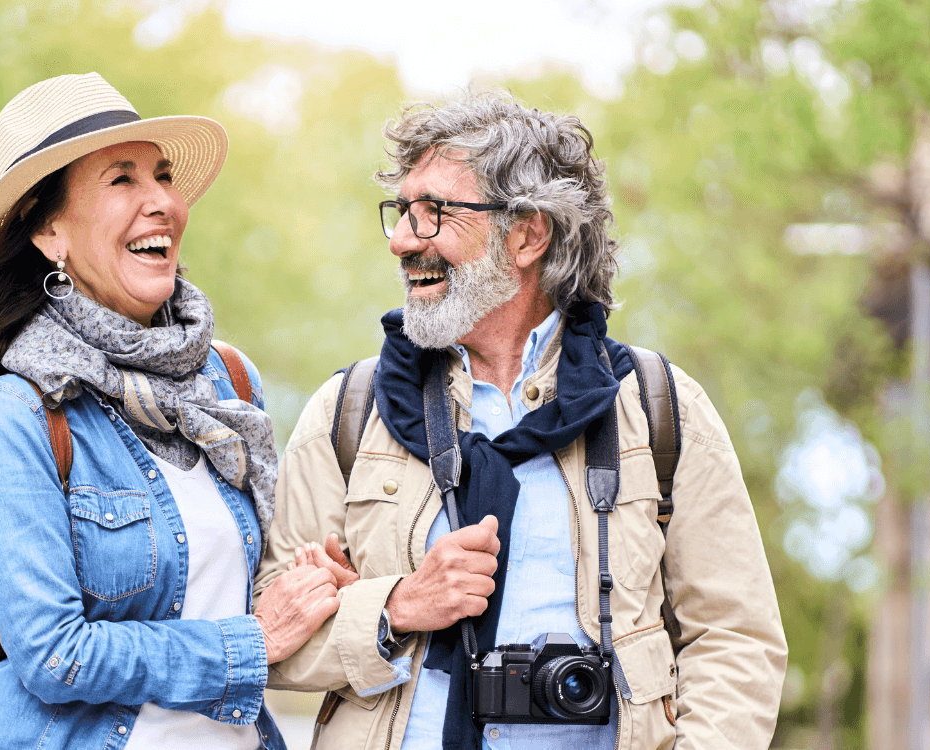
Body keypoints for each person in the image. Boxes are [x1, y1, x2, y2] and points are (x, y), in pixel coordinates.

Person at [256, 92, 787, 750]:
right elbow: (269, 641)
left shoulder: (656, 407)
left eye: (433, 215)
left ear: (528, 234)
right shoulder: (349, 411)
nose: (400, 240)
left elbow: (737, 639)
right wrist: (396, 607)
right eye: (400, 213)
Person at [0, 73, 339, 750]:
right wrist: (250, 642)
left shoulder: (228, 381)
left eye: (163, 176)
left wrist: (316, 581)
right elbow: (56, 655)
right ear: (49, 230)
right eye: (122, 179)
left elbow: (255, 595)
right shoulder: (12, 416)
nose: (162, 203)